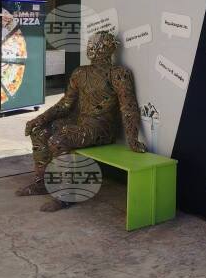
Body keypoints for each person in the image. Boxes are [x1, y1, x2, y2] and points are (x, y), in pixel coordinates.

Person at [16, 30, 146, 211]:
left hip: (101, 129)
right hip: (81, 123)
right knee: (39, 131)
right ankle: (42, 182)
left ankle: (66, 194)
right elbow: (65, 104)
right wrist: (39, 119)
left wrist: (132, 140)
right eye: (92, 45)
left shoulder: (118, 74)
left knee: (58, 140)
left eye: (99, 45)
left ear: (110, 49)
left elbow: (128, 108)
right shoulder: (80, 73)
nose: (93, 48)